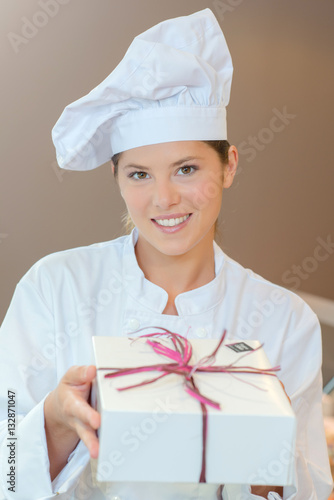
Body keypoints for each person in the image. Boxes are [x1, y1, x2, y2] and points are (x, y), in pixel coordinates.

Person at [0, 8, 332, 500]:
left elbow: (312, 490)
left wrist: (270, 449)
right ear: (116, 179)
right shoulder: (54, 287)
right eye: (139, 174)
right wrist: (53, 422)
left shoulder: (285, 322)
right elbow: (4, 459)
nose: (164, 199)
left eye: (186, 169)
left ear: (229, 166)